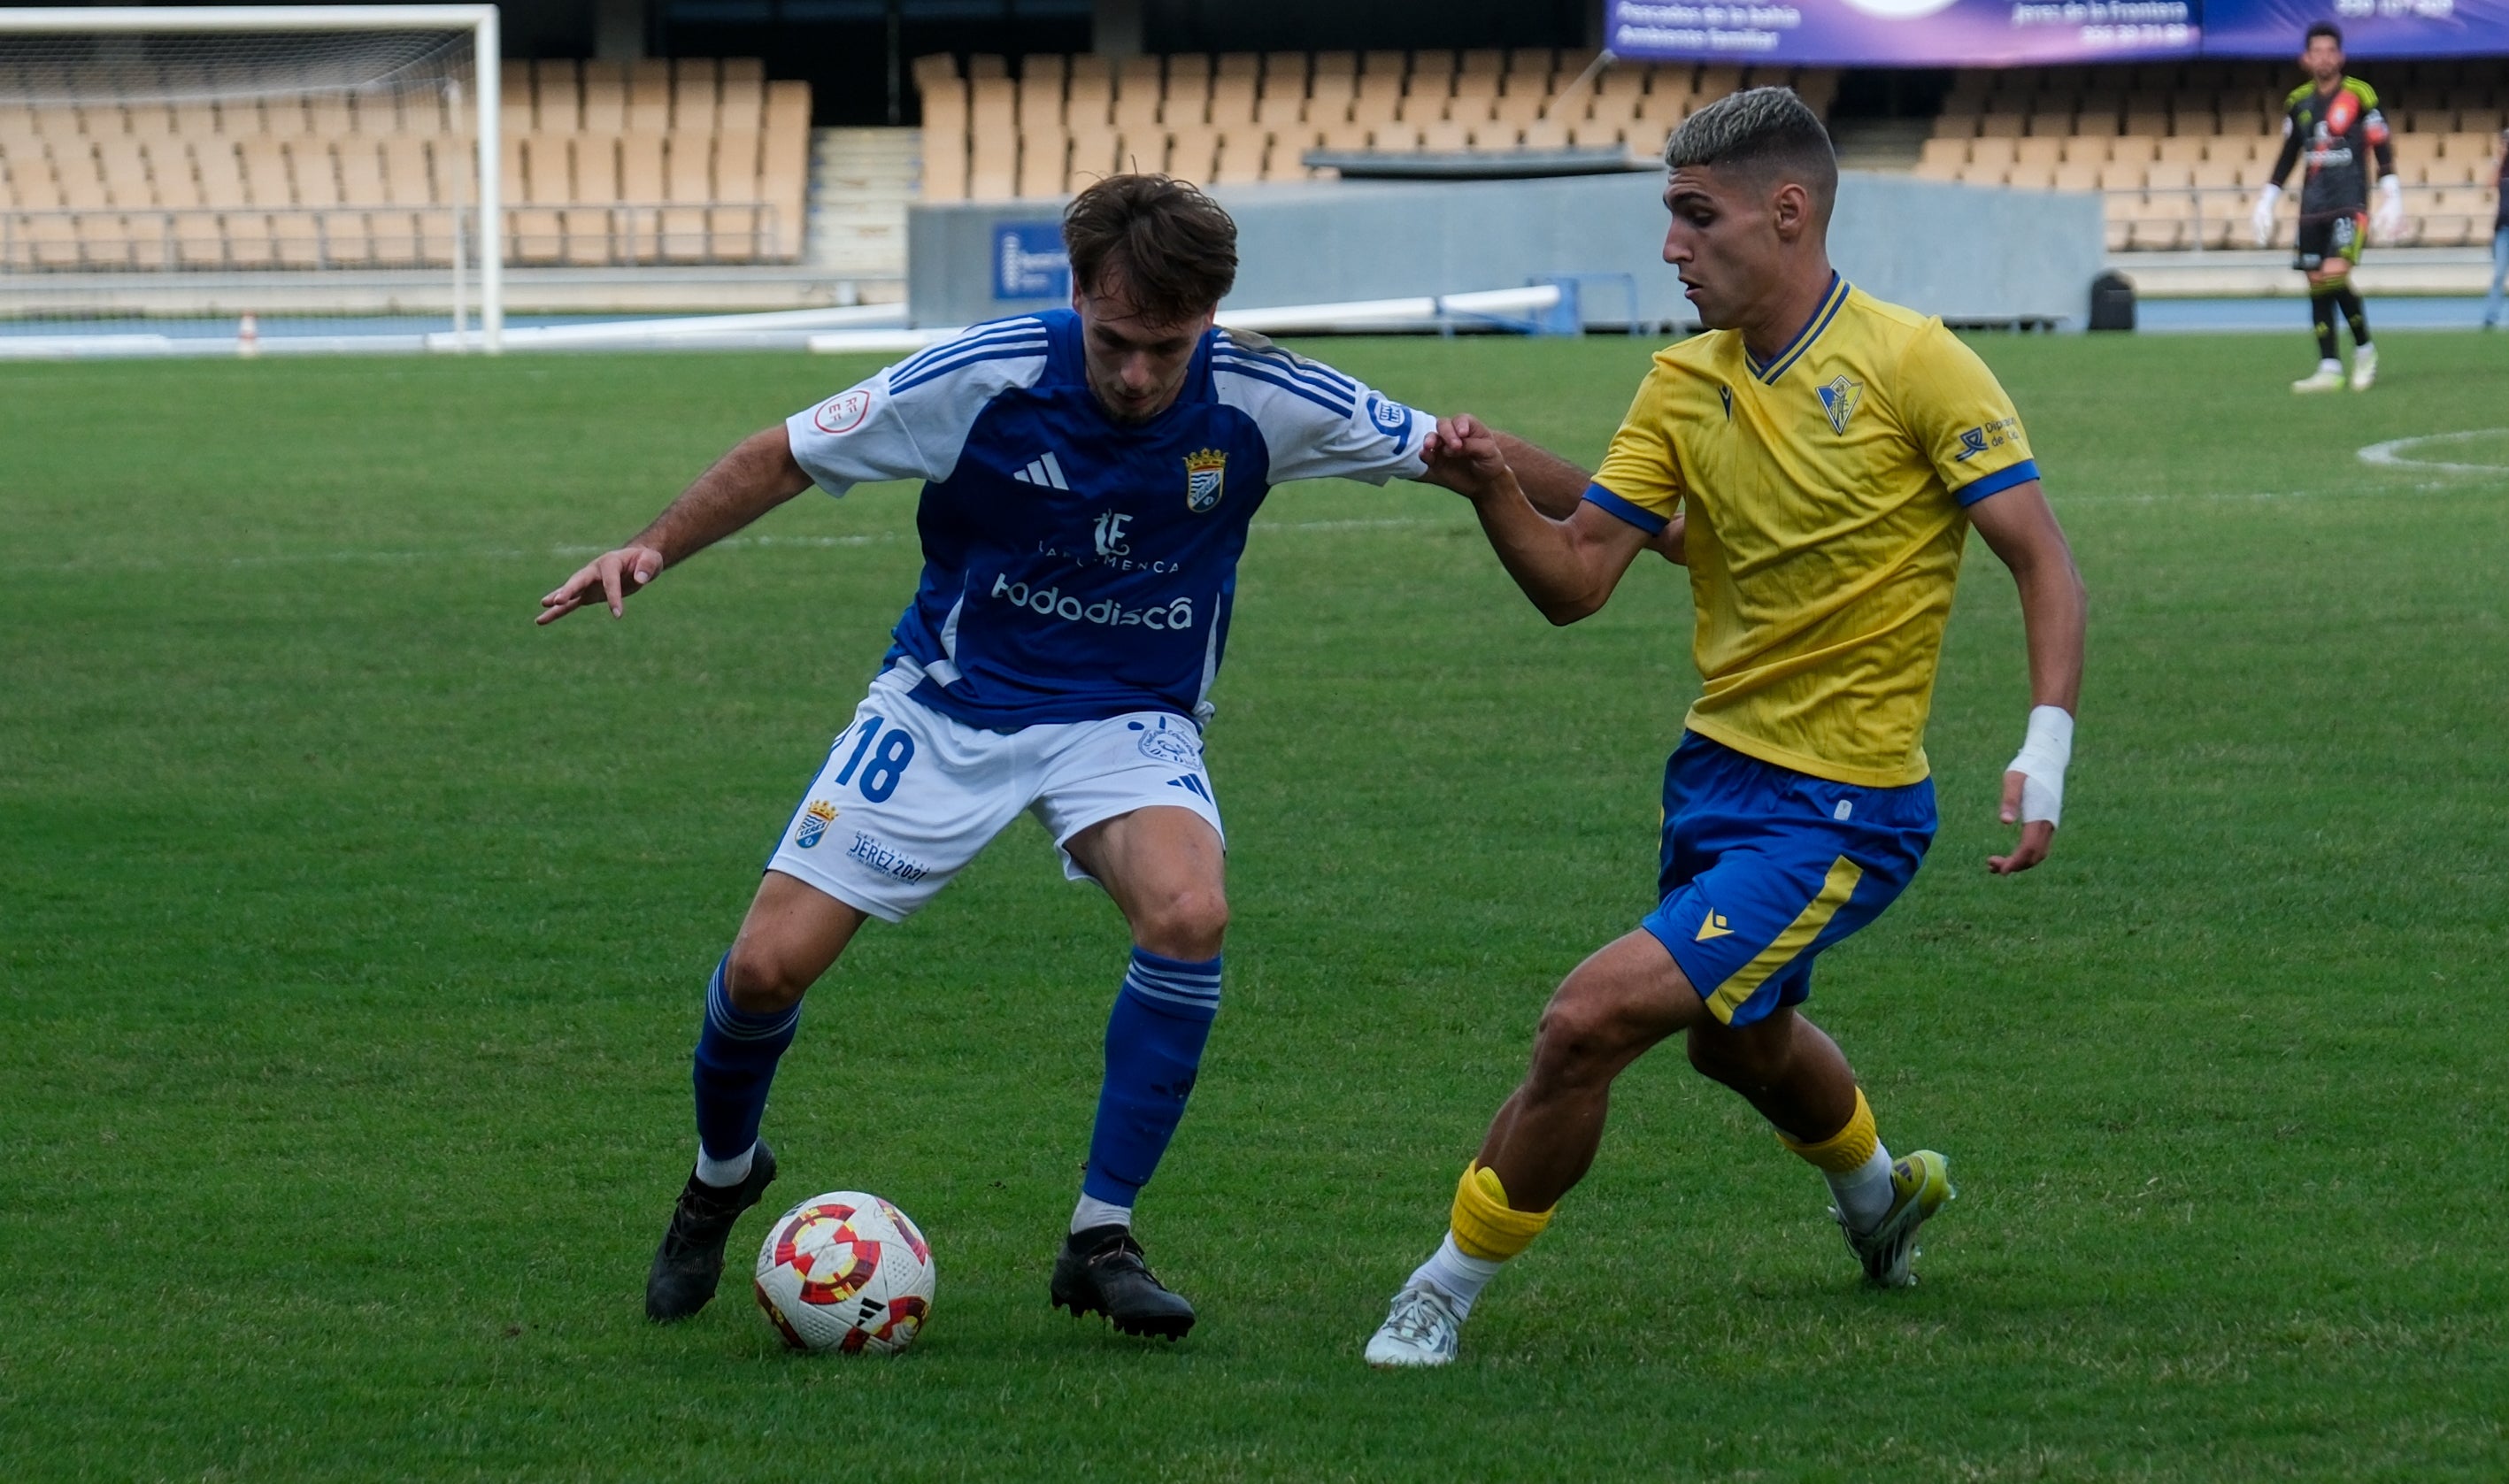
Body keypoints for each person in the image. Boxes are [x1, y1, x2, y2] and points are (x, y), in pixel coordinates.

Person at [539, 173, 1580, 1342]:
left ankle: (1100, 1235)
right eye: (1114, 341)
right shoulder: (983, 376)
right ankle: (720, 1177)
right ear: (1076, 293)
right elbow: (783, 452)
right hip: (947, 705)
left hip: (1125, 717)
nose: (1136, 375)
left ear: (1210, 319)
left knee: (1189, 912)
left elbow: (1462, 452)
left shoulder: (1262, 394)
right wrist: (652, 546)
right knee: (767, 969)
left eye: (1166, 349)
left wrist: (1635, 522)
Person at [1365, 87, 2089, 1368]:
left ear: (1788, 211)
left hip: (1844, 807)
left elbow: (2040, 558)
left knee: (1585, 1023)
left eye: (1696, 217)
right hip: (1714, 778)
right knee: (1733, 1038)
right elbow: (1577, 579)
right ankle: (1879, 1197)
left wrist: (2045, 748)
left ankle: (1440, 1288)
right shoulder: (1680, 383)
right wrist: (1490, 488)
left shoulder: (1915, 363)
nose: (1671, 248)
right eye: (1670, 217)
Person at [2251, 22, 2401, 392]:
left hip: (2349, 202)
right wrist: (2267, 198)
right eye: (2316, 52)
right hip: (2312, 206)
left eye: (2330, 51)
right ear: (2305, 59)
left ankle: (2364, 350)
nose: (2323, 58)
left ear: (2341, 57)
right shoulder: (2298, 101)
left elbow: (2381, 144)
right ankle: (2330, 366)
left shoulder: (2360, 94)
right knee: (2316, 282)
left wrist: (2393, 193)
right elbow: (2289, 153)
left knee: (2334, 274)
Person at [2483, 127, 2508, 331]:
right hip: (2503, 229)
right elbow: (2489, 183)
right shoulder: (2501, 168)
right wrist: (2499, 157)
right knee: (2499, 273)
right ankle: (2491, 317)